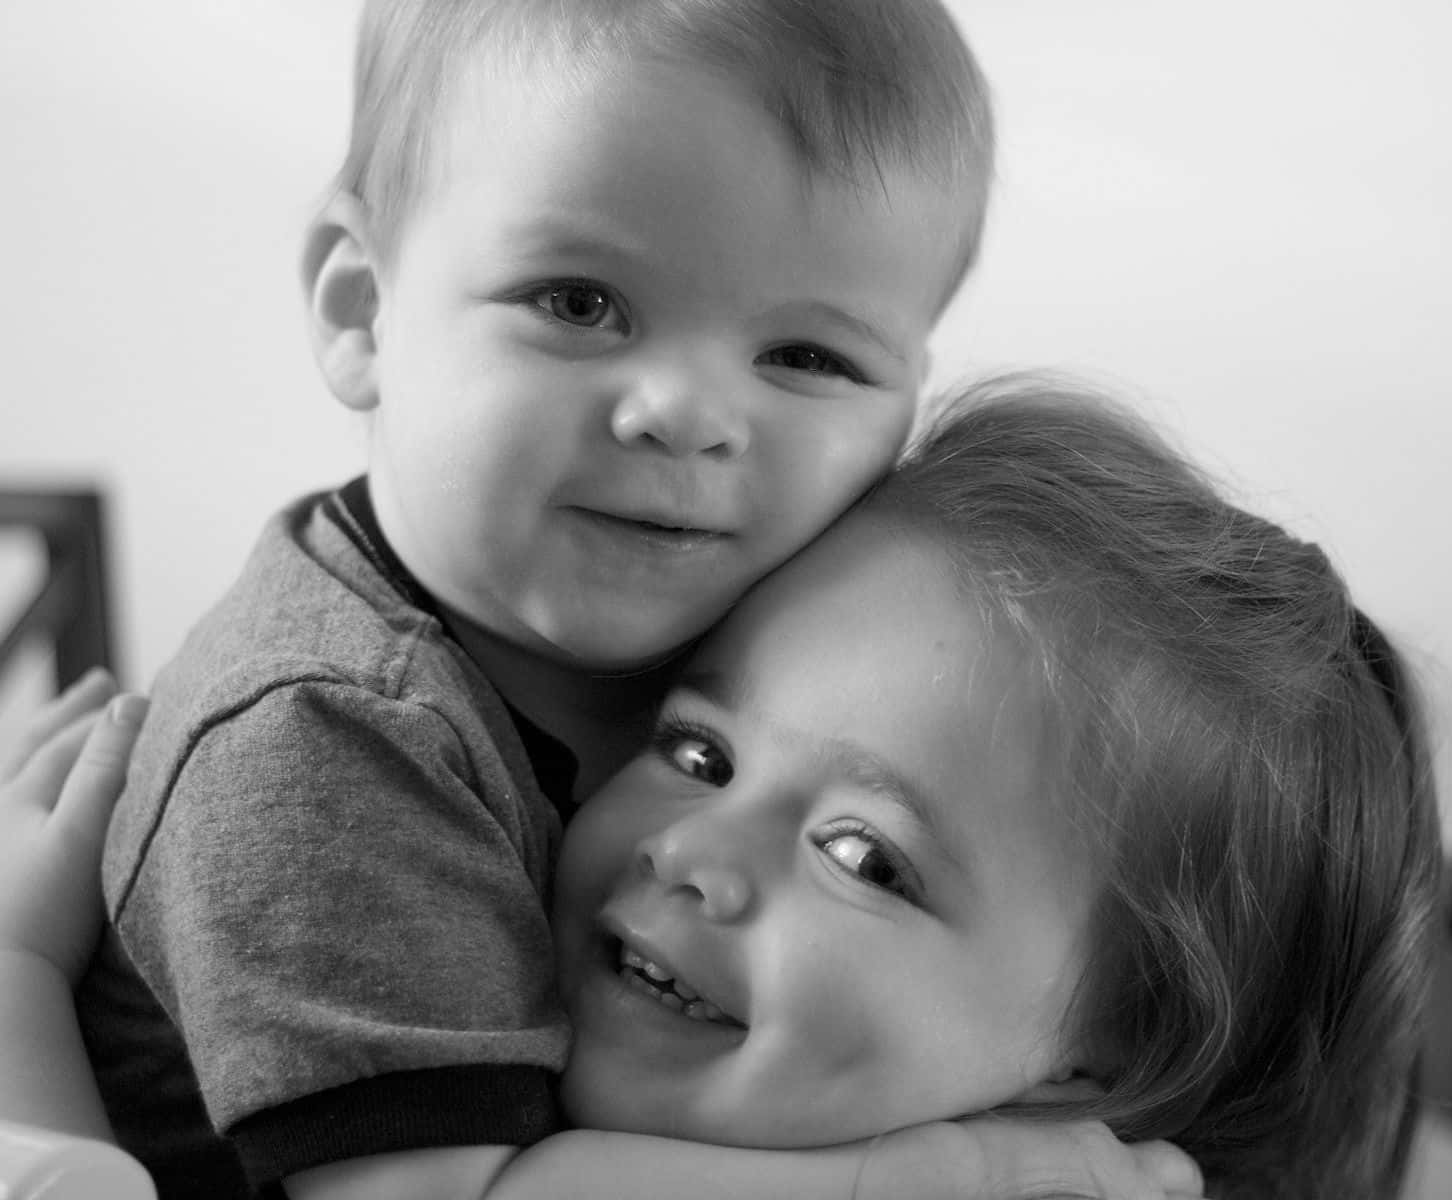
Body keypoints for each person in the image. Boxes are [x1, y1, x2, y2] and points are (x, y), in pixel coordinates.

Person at [11, 376, 1442, 1200]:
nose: (693, 849)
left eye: (864, 857)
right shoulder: (455, 1004)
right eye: (698, 752)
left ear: (1091, 1064)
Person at [69, 0, 1020, 1196]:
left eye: (806, 359)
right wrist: (954, 1170)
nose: (687, 413)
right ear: (362, 308)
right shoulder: (326, 733)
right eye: (579, 303)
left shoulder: (757, 629)